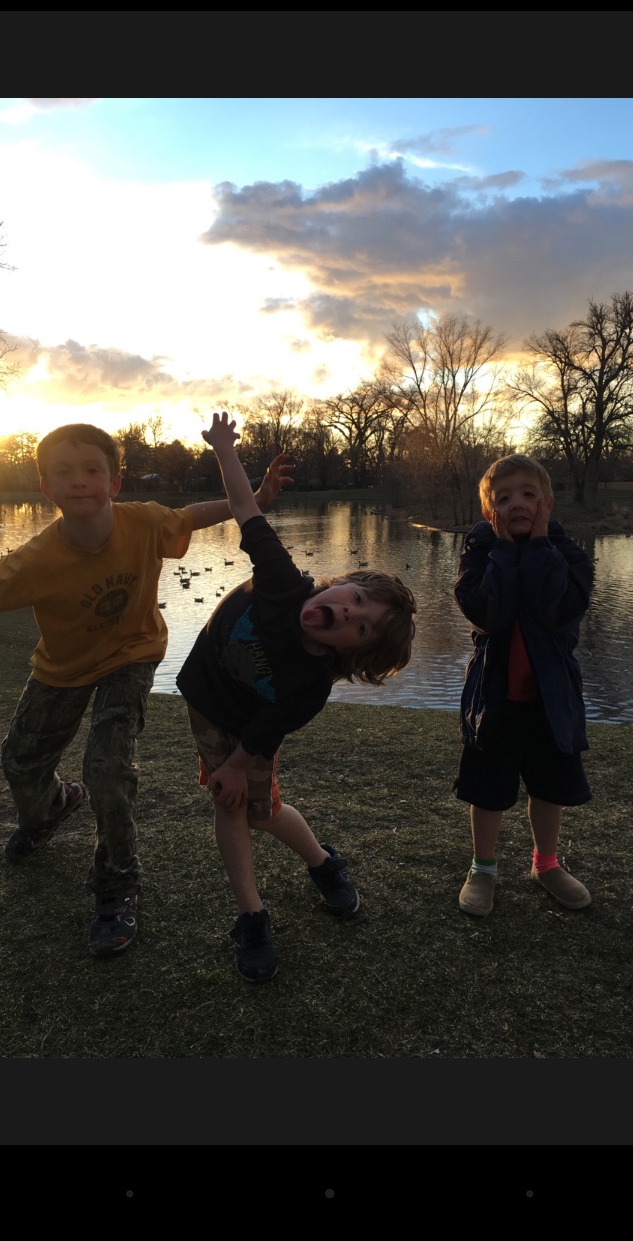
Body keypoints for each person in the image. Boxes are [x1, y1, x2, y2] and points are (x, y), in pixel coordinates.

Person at [0, 422, 291, 957]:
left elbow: (190, 516)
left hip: (132, 656)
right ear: (45, 487)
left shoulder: (142, 522)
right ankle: (53, 807)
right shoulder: (33, 561)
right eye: (63, 473)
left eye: (91, 470)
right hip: (63, 667)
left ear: (114, 482)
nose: (79, 481)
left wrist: (254, 500)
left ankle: (118, 883)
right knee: (19, 761)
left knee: (108, 767)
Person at [177, 413, 417, 982]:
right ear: (341, 583)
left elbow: (267, 729)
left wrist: (237, 765)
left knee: (261, 811)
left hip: (251, 726)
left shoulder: (310, 688)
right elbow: (246, 509)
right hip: (208, 700)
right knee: (231, 805)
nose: (349, 613)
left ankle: (321, 862)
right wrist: (224, 448)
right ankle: (252, 916)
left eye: (361, 626)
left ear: (352, 655)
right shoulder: (283, 580)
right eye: (355, 597)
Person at [453, 454, 593, 918]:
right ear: (489, 510)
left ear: (547, 504)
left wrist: (537, 546)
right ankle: (483, 868)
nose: (516, 504)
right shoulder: (478, 554)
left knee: (549, 788)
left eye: (528, 495)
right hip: (493, 699)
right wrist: (504, 551)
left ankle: (546, 864)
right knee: (487, 790)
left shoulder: (569, 556)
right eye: (503, 497)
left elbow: (556, 608)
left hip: (551, 699)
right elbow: (489, 614)